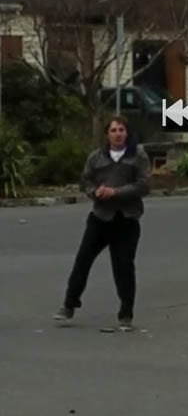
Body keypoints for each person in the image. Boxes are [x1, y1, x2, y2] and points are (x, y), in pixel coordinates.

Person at [55, 116, 151, 331]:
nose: (118, 134)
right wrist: (95, 192)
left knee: (123, 266)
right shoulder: (96, 157)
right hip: (100, 218)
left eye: (121, 130)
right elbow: (85, 181)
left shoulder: (137, 156)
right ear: (107, 135)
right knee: (83, 260)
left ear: (127, 133)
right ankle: (69, 304)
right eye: (114, 130)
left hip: (126, 219)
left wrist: (115, 192)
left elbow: (144, 185)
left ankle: (126, 314)